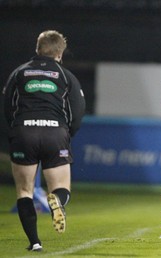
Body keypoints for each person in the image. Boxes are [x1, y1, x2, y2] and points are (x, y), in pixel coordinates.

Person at [2, 30, 86, 251]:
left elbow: (8, 107)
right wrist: (68, 134)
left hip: (24, 133)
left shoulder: (19, 73)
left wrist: (15, 131)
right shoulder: (65, 75)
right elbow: (77, 110)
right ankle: (57, 200)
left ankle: (35, 242)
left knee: (24, 191)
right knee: (61, 187)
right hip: (54, 133)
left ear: (37, 49)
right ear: (60, 53)